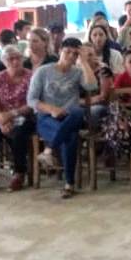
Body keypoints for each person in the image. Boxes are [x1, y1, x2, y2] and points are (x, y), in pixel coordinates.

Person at [28, 37, 99, 198]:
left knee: (78, 112)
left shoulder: (77, 72)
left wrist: (84, 62)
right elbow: (31, 100)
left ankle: (49, 150)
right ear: (60, 51)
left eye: (75, 54)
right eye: (67, 52)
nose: (70, 56)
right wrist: (51, 109)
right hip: (47, 118)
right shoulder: (43, 71)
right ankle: (69, 183)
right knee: (70, 136)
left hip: (70, 116)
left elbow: (92, 86)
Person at [0, 45, 35, 194]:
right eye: (11, 59)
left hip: (25, 116)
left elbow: (32, 103)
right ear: (4, 61)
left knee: (18, 135)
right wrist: (0, 118)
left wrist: (11, 115)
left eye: (18, 58)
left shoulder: (31, 76)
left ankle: (19, 173)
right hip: (1, 117)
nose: (15, 62)